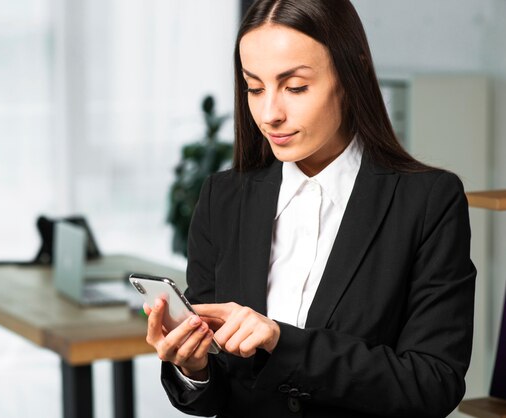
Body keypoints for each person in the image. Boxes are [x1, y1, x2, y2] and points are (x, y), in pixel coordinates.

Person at [144, 0, 476, 417]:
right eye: (254, 87)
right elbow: (218, 391)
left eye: (295, 87)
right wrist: (194, 366)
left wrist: (281, 341)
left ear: (350, 74)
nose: (270, 115)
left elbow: (433, 384)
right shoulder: (223, 198)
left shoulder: (428, 202)